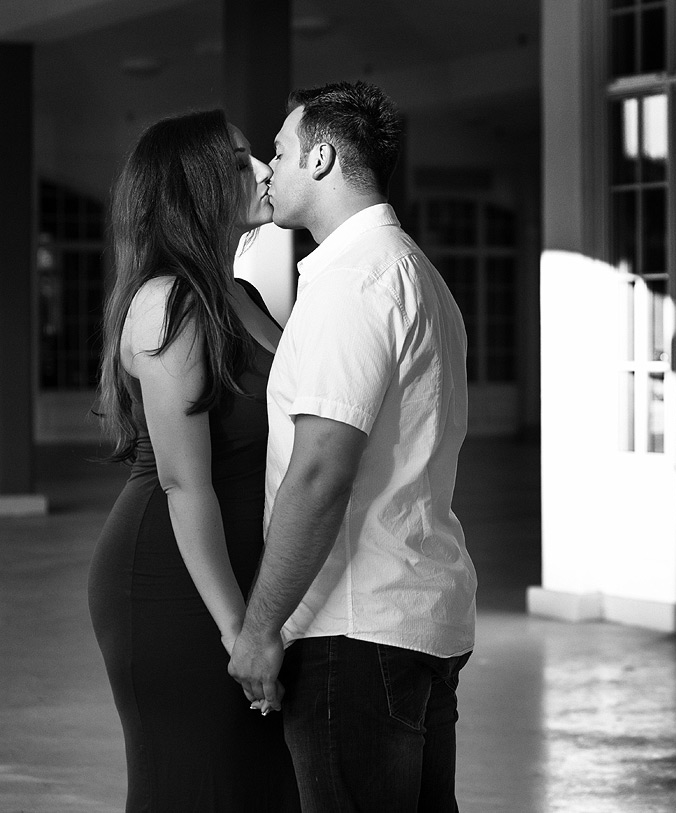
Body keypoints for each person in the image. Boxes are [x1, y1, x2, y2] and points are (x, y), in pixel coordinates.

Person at [227, 81, 477, 811]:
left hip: (355, 631)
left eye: (279, 152)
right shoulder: (415, 273)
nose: (268, 170)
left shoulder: (353, 283)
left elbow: (319, 472)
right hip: (415, 618)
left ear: (323, 156)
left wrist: (260, 627)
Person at [88, 109, 299, 811]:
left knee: (255, 785)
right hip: (172, 584)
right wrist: (239, 628)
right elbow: (183, 483)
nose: (265, 169)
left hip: (240, 569)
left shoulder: (240, 295)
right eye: (243, 161)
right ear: (197, 187)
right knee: (198, 784)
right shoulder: (165, 302)